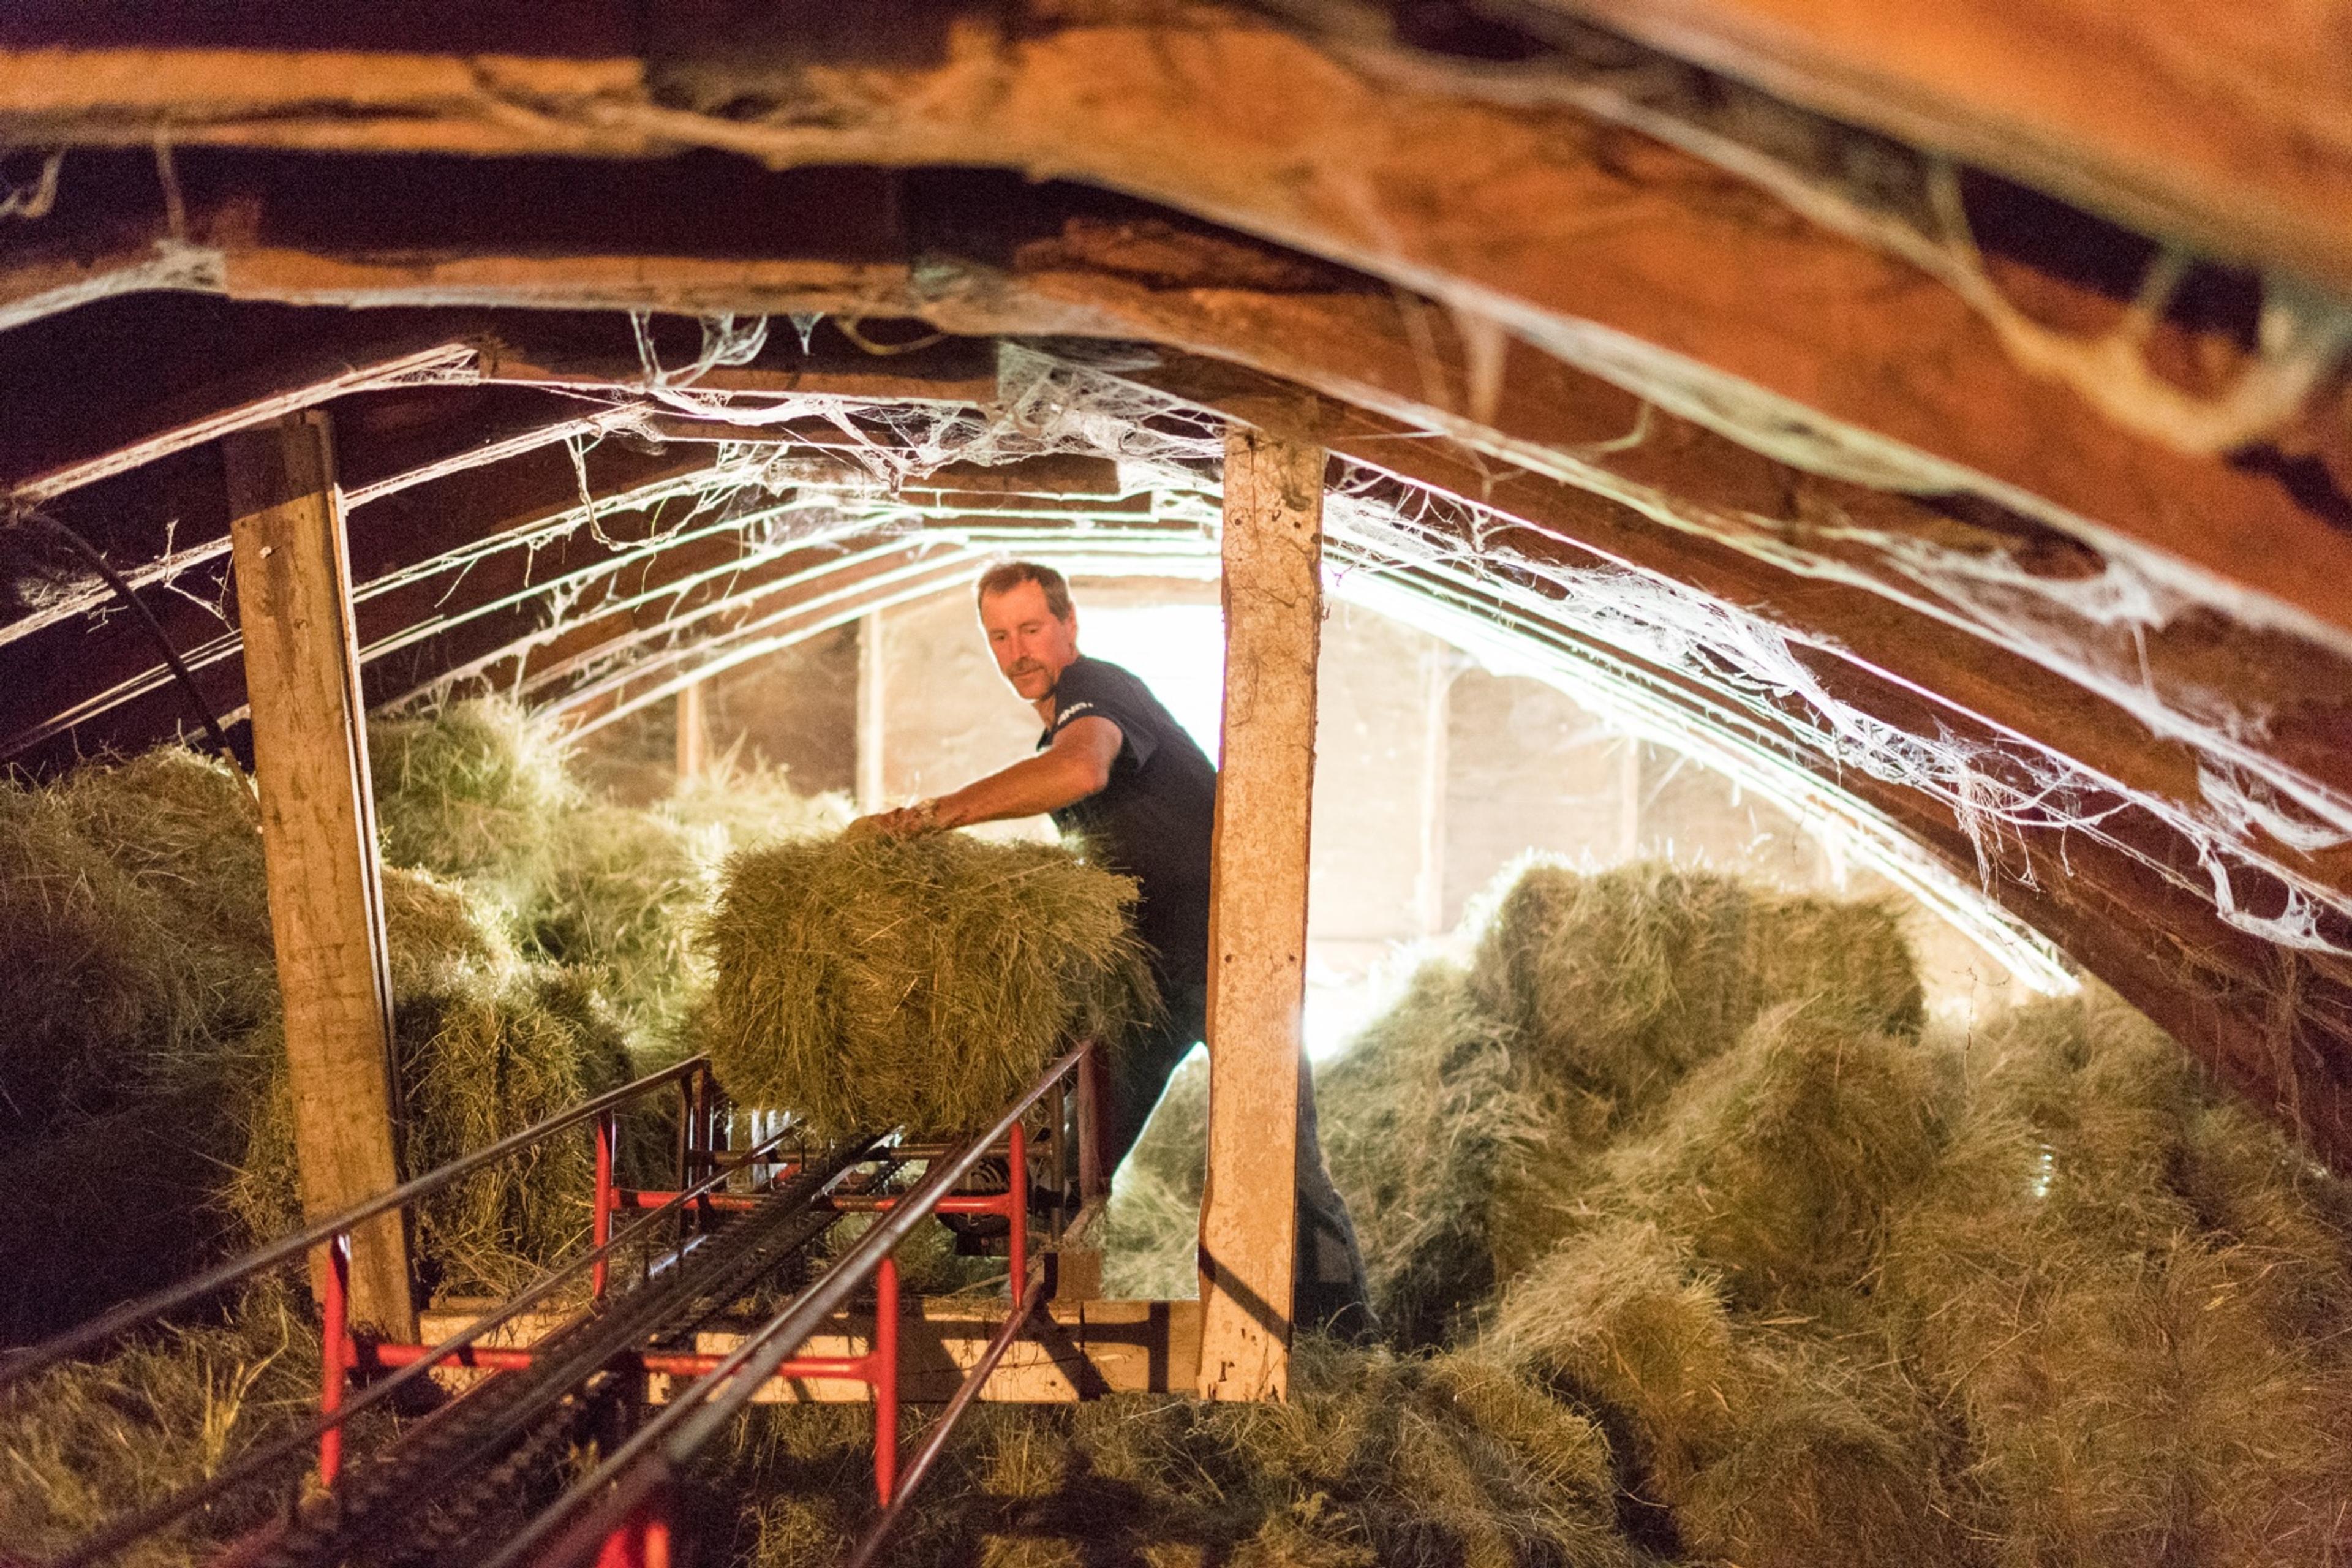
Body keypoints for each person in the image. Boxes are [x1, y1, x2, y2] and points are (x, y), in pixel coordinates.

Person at [853, 560, 1375, 1335]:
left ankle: (1346, 1339)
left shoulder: (1099, 688)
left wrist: (930, 815)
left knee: (1284, 1164)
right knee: (1082, 1148)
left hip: (1233, 959)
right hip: (1153, 975)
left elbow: (1080, 768)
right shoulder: (1061, 718)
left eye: (1032, 629)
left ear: (1069, 628)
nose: (1019, 651)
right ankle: (1022, 1304)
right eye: (1000, 636)